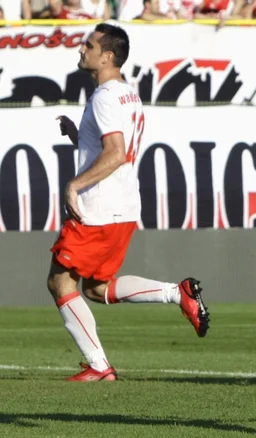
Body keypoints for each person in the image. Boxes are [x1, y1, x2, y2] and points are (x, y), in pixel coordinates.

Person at [49, 23, 210, 382]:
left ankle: (99, 366)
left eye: (88, 45)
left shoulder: (105, 96)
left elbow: (116, 153)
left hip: (99, 207)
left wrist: (74, 185)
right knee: (95, 288)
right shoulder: (126, 95)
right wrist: (80, 136)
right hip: (121, 205)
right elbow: (112, 148)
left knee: (60, 283)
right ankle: (176, 293)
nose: (81, 50)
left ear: (107, 56)